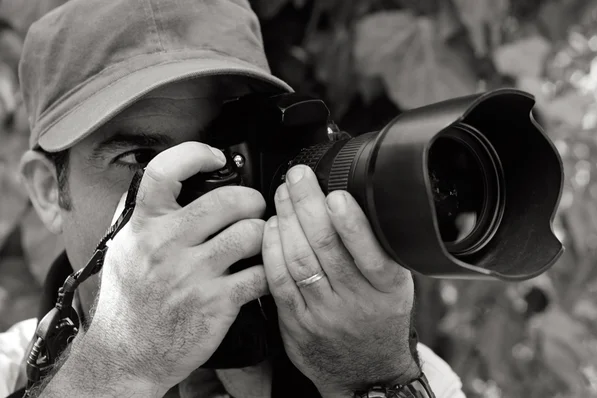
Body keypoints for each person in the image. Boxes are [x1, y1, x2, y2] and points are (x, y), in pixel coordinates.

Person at [0, 0, 467, 397]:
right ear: (46, 191)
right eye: (139, 157)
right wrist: (118, 363)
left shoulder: (382, 361)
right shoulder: (8, 369)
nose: (189, 197)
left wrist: (372, 379)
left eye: (225, 155)